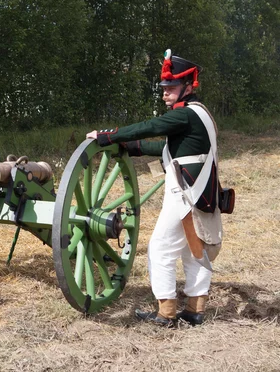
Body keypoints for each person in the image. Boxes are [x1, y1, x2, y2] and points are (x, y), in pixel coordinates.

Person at [87, 49, 223, 327]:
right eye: (164, 87)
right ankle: (195, 310)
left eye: (171, 87)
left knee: (160, 248)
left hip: (185, 193)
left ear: (187, 86)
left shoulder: (184, 115)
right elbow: (170, 149)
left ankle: (166, 312)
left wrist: (107, 136)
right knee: (192, 248)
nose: (165, 92)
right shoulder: (200, 113)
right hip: (200, 192)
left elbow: (149, 127)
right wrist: (131, 147)